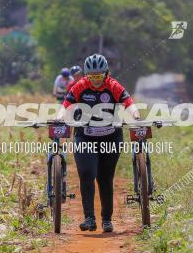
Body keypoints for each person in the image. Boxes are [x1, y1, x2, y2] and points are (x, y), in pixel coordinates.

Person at [59, 53, 140, 232]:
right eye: (92, 76)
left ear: (106, 74)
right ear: (87, 75)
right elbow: (66, 105)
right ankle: (89, 218)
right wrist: (59, 118)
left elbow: (128, 101)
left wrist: (135, 114)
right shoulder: (80, 86)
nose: (96, 80)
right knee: (87, 174)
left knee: (105, 178)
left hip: (111, 137)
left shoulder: (113, 85)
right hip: (84, 136)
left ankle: (106, 220)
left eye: (99, 76)